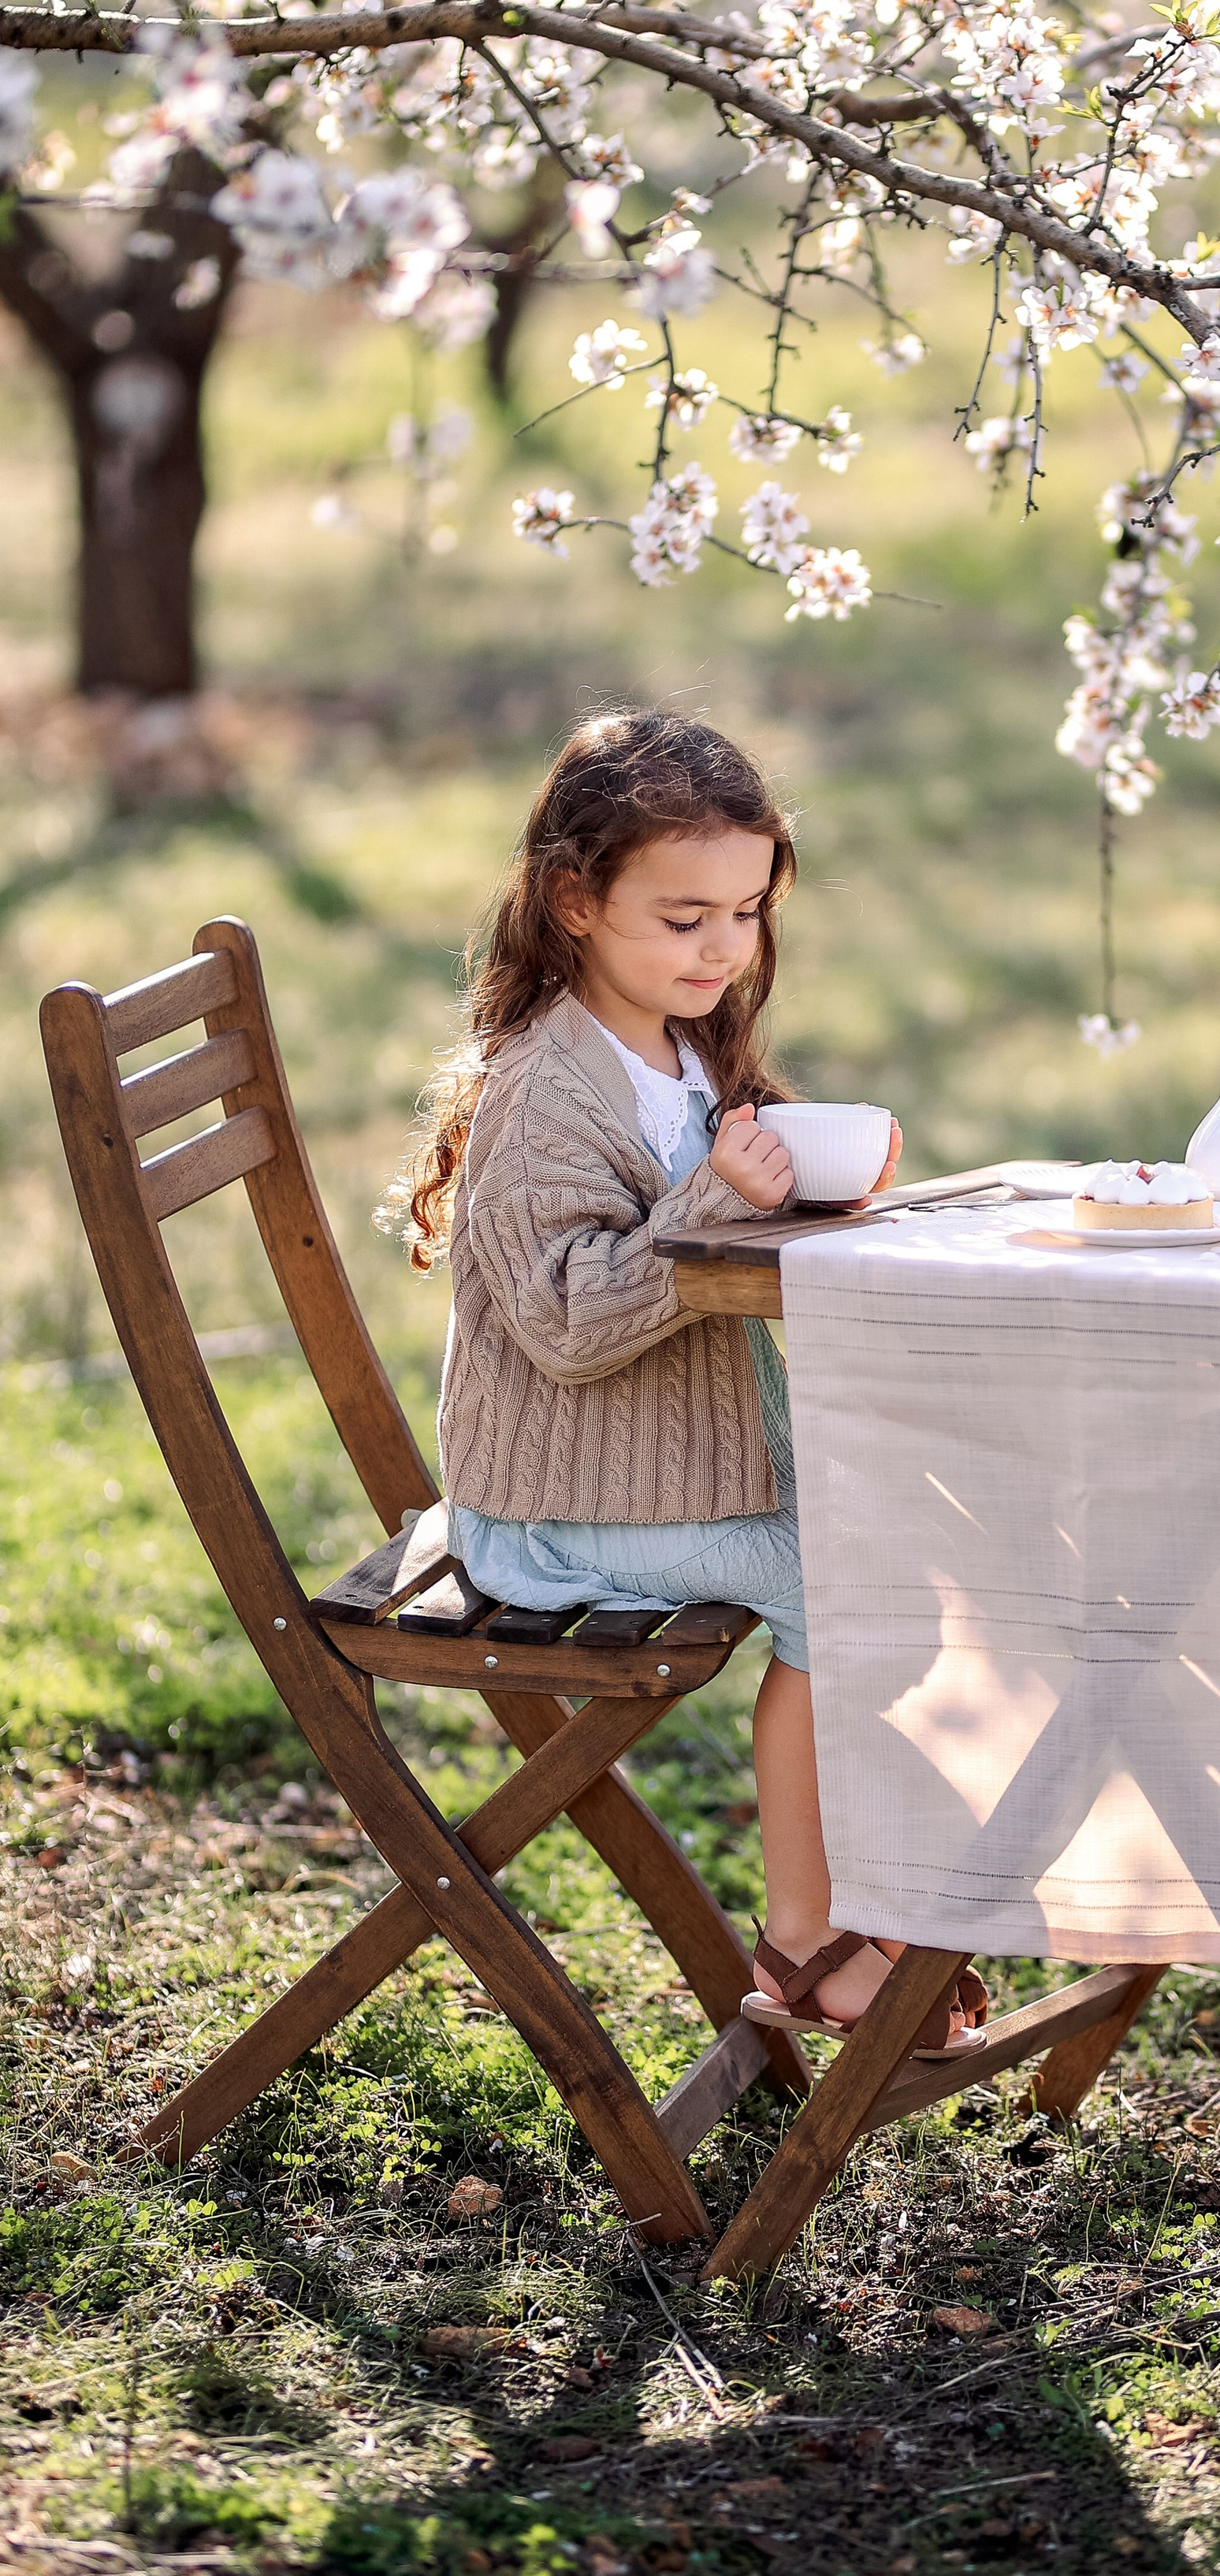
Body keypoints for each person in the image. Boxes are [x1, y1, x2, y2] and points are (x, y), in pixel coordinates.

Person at [392, 708, 982, 2053]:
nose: (722, 948)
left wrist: (798, 1188)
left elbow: (708, 1231)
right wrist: (708, 1201)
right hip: (550, 1512)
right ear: (575, 901)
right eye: (684, 916)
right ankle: (804, 1932)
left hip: (677, 1478)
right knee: (848, 1580)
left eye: (747, 913)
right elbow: (563, 1323)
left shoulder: (681, 1042)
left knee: (914, 1540)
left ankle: (866, 1893)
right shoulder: (549, 1089)